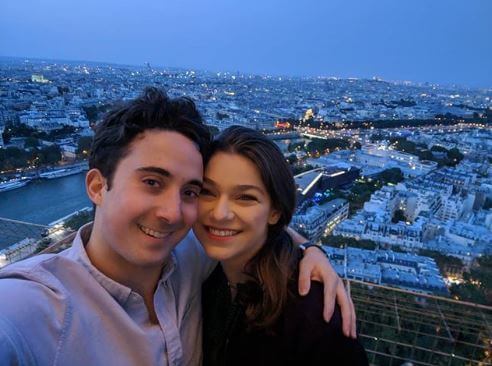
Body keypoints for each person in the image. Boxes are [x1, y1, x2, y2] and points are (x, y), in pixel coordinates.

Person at [0, 88, 354, 365]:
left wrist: (307, 248)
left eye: (190, 191)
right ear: (96, 186)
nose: (172, 213)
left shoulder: (189, 253)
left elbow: (244, 227)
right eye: (152, 182)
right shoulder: (36, 306)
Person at [195, 126, 368, 365]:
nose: (219, 213)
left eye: (245, 197)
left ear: (275, 211)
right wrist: (310, 247)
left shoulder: (314, 312)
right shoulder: (205, 273)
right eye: (207, 191)